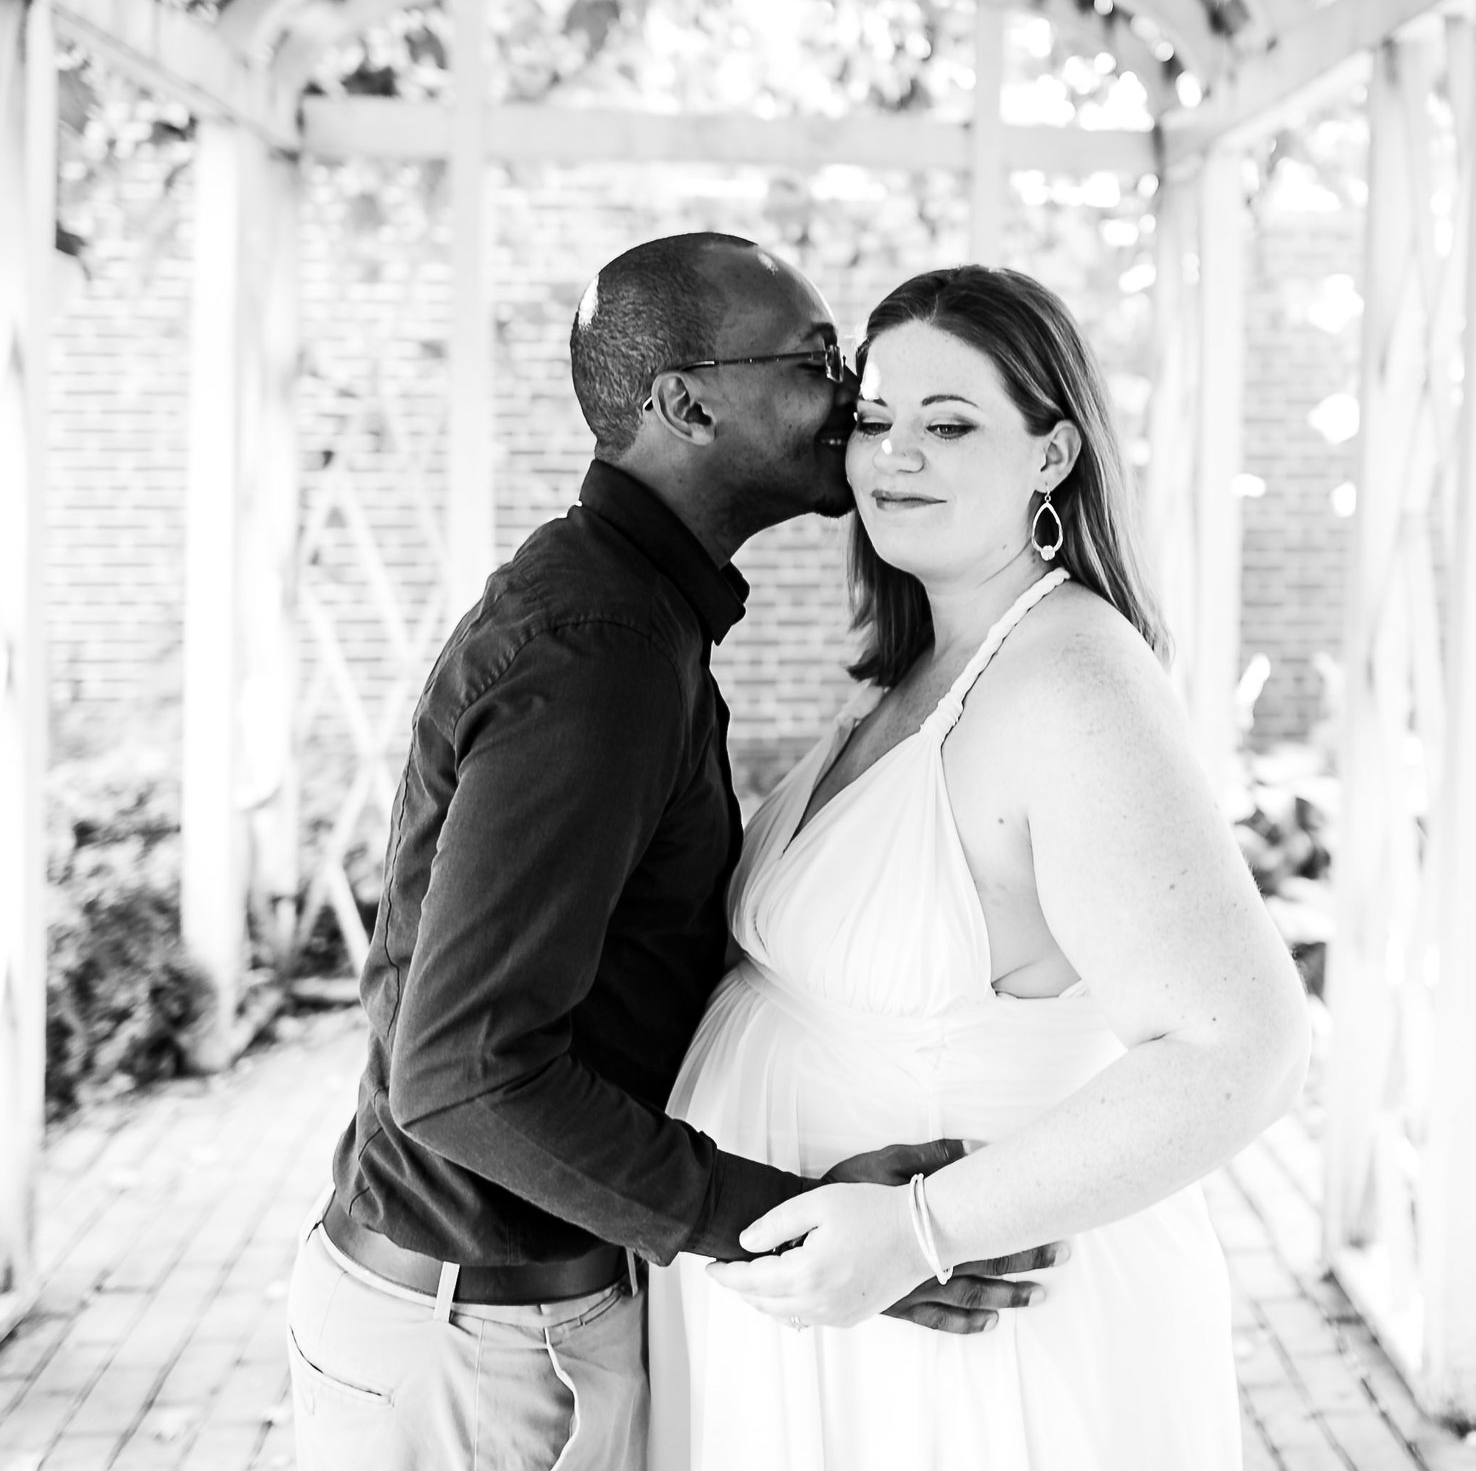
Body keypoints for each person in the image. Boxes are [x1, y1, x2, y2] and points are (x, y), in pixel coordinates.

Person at [285, 234, 1057, 1471]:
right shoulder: (604, 650)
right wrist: (786, 1231)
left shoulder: (633, 615)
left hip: (501, 1317)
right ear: (685, 402)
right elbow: (464, 1073)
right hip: (481, 1353)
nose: (849, 393)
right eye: (816, 359)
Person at [649, 264, 1312, 1471]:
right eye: (875, 421)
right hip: (825, 1318)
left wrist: (919, 1229)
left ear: (1052, 454)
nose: (894, 457)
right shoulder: (919, 668)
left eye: (950, 424)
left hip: (960, 1338)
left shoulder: (1071, 681)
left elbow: (1243, 1044)